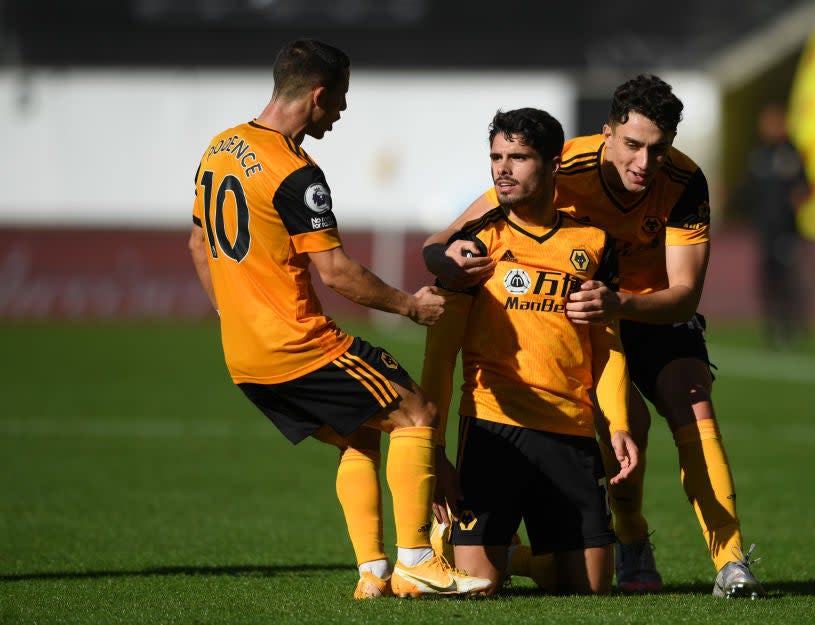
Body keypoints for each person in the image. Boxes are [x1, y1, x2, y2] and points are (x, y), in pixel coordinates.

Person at [423, 75, 763, 598]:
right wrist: (448, 263)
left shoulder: (686, 180)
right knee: (630, 425)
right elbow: (444, 242)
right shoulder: (556, 161)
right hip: (581, 316)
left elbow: (686, 293)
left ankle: (732, 561)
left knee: (692, 399)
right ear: (606, 134)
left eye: (657, 149)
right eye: (632, 145)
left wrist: (620, 302)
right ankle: (630, 536)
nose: (644, 164)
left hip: (649, 307)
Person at [187, 38, 491, 600]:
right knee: (418, 413)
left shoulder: (220, 147)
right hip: (299, 347)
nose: (344, 111)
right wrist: (411, 305)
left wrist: (238, 317)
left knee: (362, 433)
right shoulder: (296, 172)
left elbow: (200, 245)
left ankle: (372, 574)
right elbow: (338, 273)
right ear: (320, 94)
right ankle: (419, 562)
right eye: (343, 99)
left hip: (244, 356)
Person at [421, 108, 639, 595]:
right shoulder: (475, 245)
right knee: (479, 586)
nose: (503, 168)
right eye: (497, 156)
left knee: (591, 590)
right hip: (494, 429)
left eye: (518, 157)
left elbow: (607, 345)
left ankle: (527, 559)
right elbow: (440, 355)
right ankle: (458, 544)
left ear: (554, 164)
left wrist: (618, 423)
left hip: (570, 432)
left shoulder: (594, 244)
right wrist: (434, 451)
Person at [742, 103, 809, 349]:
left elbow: (805, 185)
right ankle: (771, 326)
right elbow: (749, 190)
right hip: (765, 229)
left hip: (786, 229)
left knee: (787, 277)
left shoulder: (791, 153)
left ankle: (790, 325)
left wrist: (799, 198)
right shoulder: (759, 154)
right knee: (768, 278)